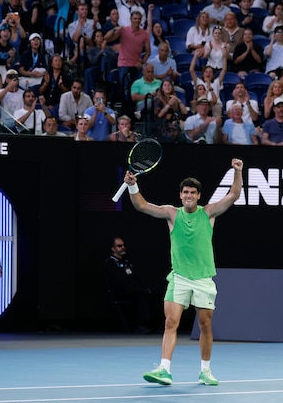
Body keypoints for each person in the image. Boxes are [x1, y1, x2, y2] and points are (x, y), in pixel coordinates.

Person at [126, 158, 244, 387]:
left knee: (205, 325)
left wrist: (237, 171)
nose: (189, 195)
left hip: (203, 279)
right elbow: (142, 205)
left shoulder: (208, 213)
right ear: (180, 195)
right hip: (179, 277)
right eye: (185, 192)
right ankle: (164, 369)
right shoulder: (171, 213)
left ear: (198, 196)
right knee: (171, 322)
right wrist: (133, 185)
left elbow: (233, 195)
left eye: (193, 192)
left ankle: (205, 371)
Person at [104, 236, 152, 334]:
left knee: (151, 293)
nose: (123, 247)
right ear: (113, 248)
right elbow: (119, 282)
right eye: (119, 246)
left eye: (123, 245)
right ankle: (140, 325)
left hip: (133, 290)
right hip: (121, 293)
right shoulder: (111, 263)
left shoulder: (126, 262)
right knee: (142, 294)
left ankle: (156, 324)